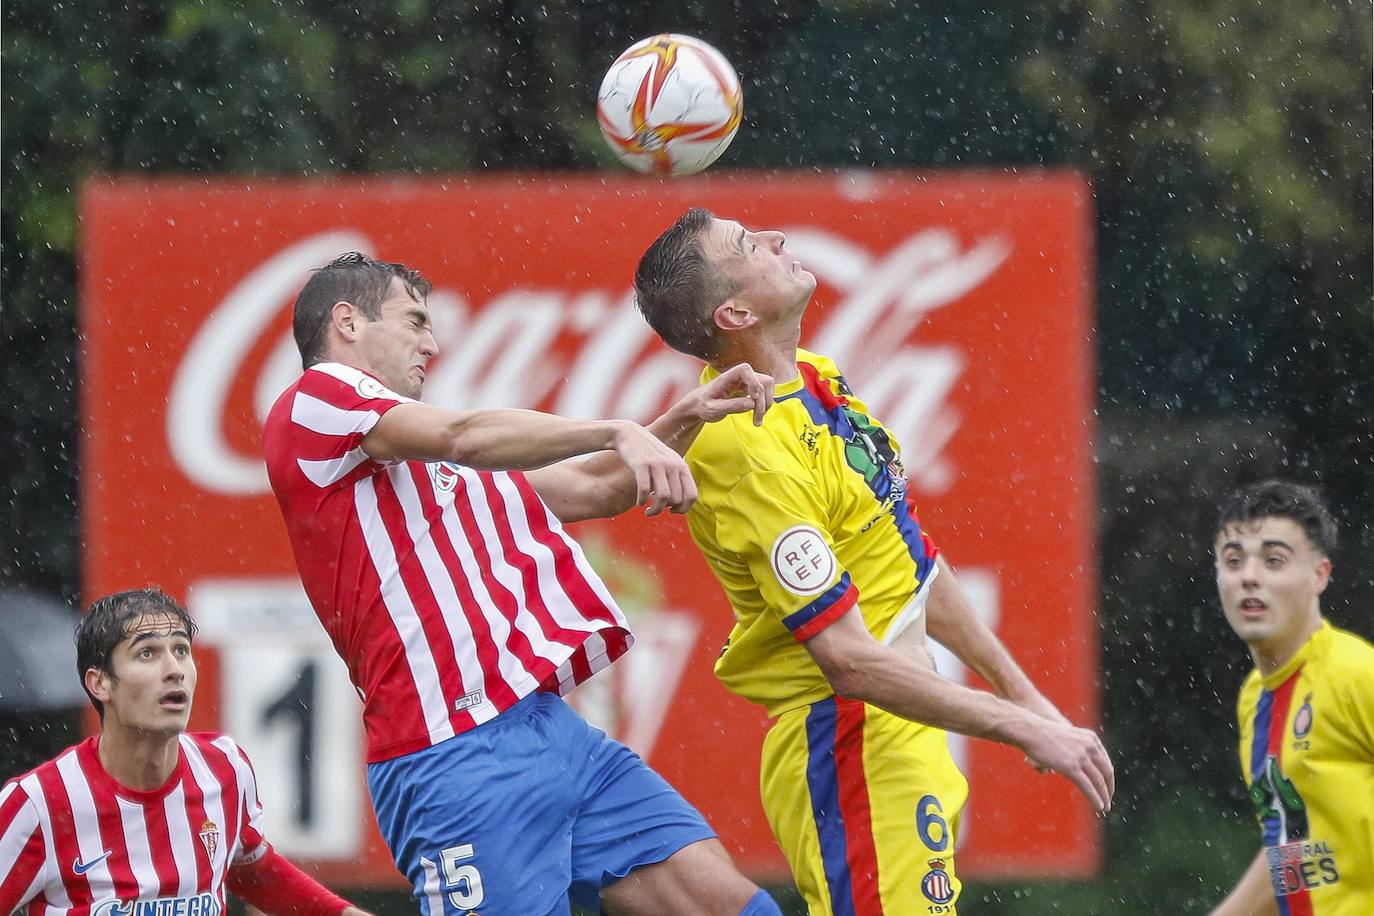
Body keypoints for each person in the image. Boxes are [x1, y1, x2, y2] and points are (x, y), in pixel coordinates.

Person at [261, 252, 782, 916]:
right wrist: (618, 429)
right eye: (415, 320)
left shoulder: (406, 452)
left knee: (736, 908)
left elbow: (597, 487)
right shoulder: (319, 398)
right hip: (450, 754)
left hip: (547, 730)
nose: (434, 342)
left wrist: (688, 414)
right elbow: (464, 434)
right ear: (347, 323)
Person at [633, 207, 1117, 914]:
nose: (776, 237)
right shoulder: (745, 448)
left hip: (901, 734)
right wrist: (1020, 726)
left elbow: (911, 564)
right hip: (851, 743)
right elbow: (848, 662)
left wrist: (1026, 697)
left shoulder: (816, 377)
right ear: (732, 311)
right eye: (747, 245)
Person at [0, 588, 373, 916]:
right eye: (147, 653)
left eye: (181, 650)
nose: (175, 669)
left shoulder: (224, 768)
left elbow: (253, 870)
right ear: (100, 683)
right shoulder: (38, 803)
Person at [1208, 481, 1373, 916]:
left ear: (1320, 575)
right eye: (1233, 560)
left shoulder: (1357, 674)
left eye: (1274, 560)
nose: (1249, 576)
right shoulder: (1253, 697)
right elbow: (1293, 846)